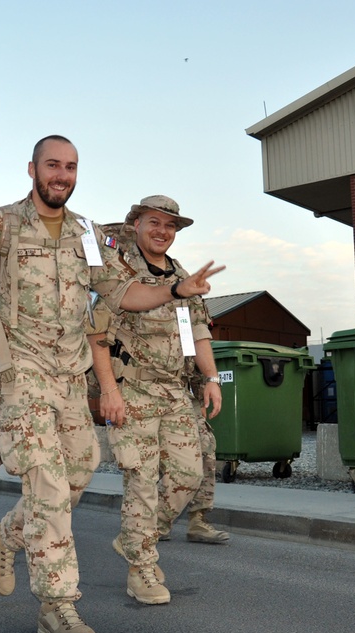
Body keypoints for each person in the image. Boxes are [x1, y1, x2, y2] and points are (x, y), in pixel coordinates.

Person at [0, 136, 223, 633]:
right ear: (32, 170)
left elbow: (123, 294)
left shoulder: (88, 233)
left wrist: (176, 290)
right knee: (46, 482)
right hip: (21, 373)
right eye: (52, 166)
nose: (61, 175)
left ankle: (7, 536)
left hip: (68, 374)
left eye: (70, 167)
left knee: (80, 470)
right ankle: (58, 605)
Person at [87, 195, 221, 605]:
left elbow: (197, 331)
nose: (162, 231)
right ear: (136, 224)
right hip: (132, 391)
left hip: (174, 391)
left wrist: (211, 378)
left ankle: (133, 539)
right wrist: (109, 391)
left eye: (170, 225)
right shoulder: (116, 269)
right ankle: (141, 567)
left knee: (188, 477)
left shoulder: (182, 274)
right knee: (141, 483)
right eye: (154, 222)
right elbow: (97, 337)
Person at [157, 365, 230, 544]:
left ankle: (198, 519)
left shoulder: (190, 335)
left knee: (205, 445)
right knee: (151, 457)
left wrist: (200, 397)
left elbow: (196, 360)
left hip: (183, 396)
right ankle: (151, 520)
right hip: (148, 391)